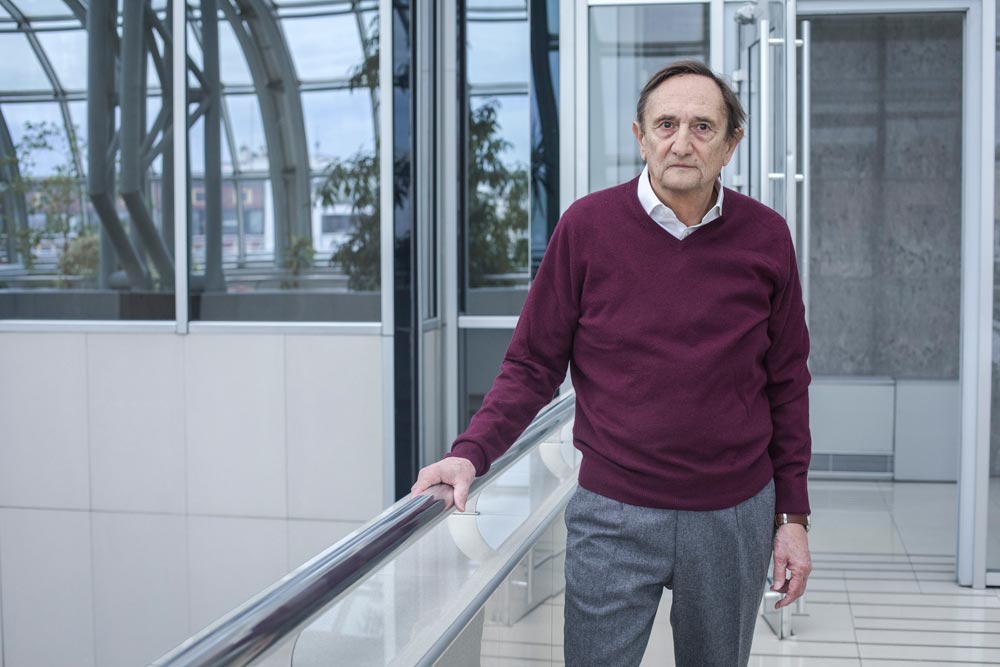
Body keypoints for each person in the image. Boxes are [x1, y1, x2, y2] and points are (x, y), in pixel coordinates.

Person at [411, 60, 812, 667]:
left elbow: (787, 383)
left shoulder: (767, 236)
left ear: (731, 144)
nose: (682, 142)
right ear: (640, 136)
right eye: (666, 124)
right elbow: (532, 363)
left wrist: (792, 516)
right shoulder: (586, 228)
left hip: (732, 515)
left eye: (703, 127)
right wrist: (470, 453)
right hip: (613, 514)